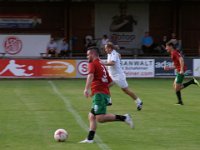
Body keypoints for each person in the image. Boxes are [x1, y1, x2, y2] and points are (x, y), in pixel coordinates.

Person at [80, 47, 134, 144]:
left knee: (100, 118)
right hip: (102, 93)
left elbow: (90, 75)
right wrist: (102, 89)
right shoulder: (101, 65)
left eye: (88, 54)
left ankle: (125, 118)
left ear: (93, 54)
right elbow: (111, 82)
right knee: (91, 116)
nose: (87, 56)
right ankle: (90, 139)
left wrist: (86, 89)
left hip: (100, 95)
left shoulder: (93, 63)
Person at [103, 42, 143, 111]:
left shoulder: (114, 54)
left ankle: (139, 101)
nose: (105, 50)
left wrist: (103, 63)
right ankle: (108, 101)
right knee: (105, 86)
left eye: (106, 48)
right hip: (112, 75)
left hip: (118, 76)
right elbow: (115, 57)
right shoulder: (111, 53)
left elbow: (112, 63)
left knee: (126, 90)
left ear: (109, 48)